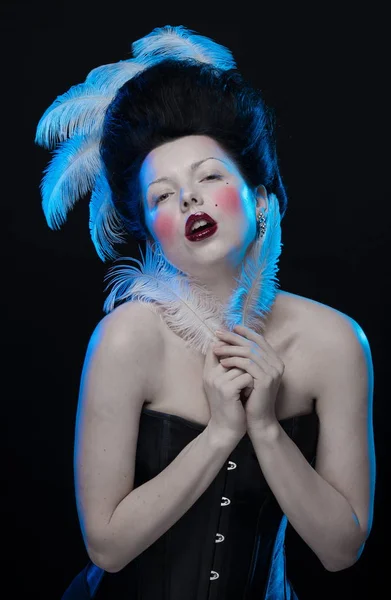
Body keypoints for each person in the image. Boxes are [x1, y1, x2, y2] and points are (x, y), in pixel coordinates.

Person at [35, 25, 375, 600]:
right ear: (152, 232)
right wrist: (220, 433)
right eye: (162, 195)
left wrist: (266, 429)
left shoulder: (336, 343)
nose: (188, 198)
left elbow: (342, 550)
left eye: (210, 176)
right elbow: (106, 547)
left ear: (260, 198)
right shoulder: (125, 340)